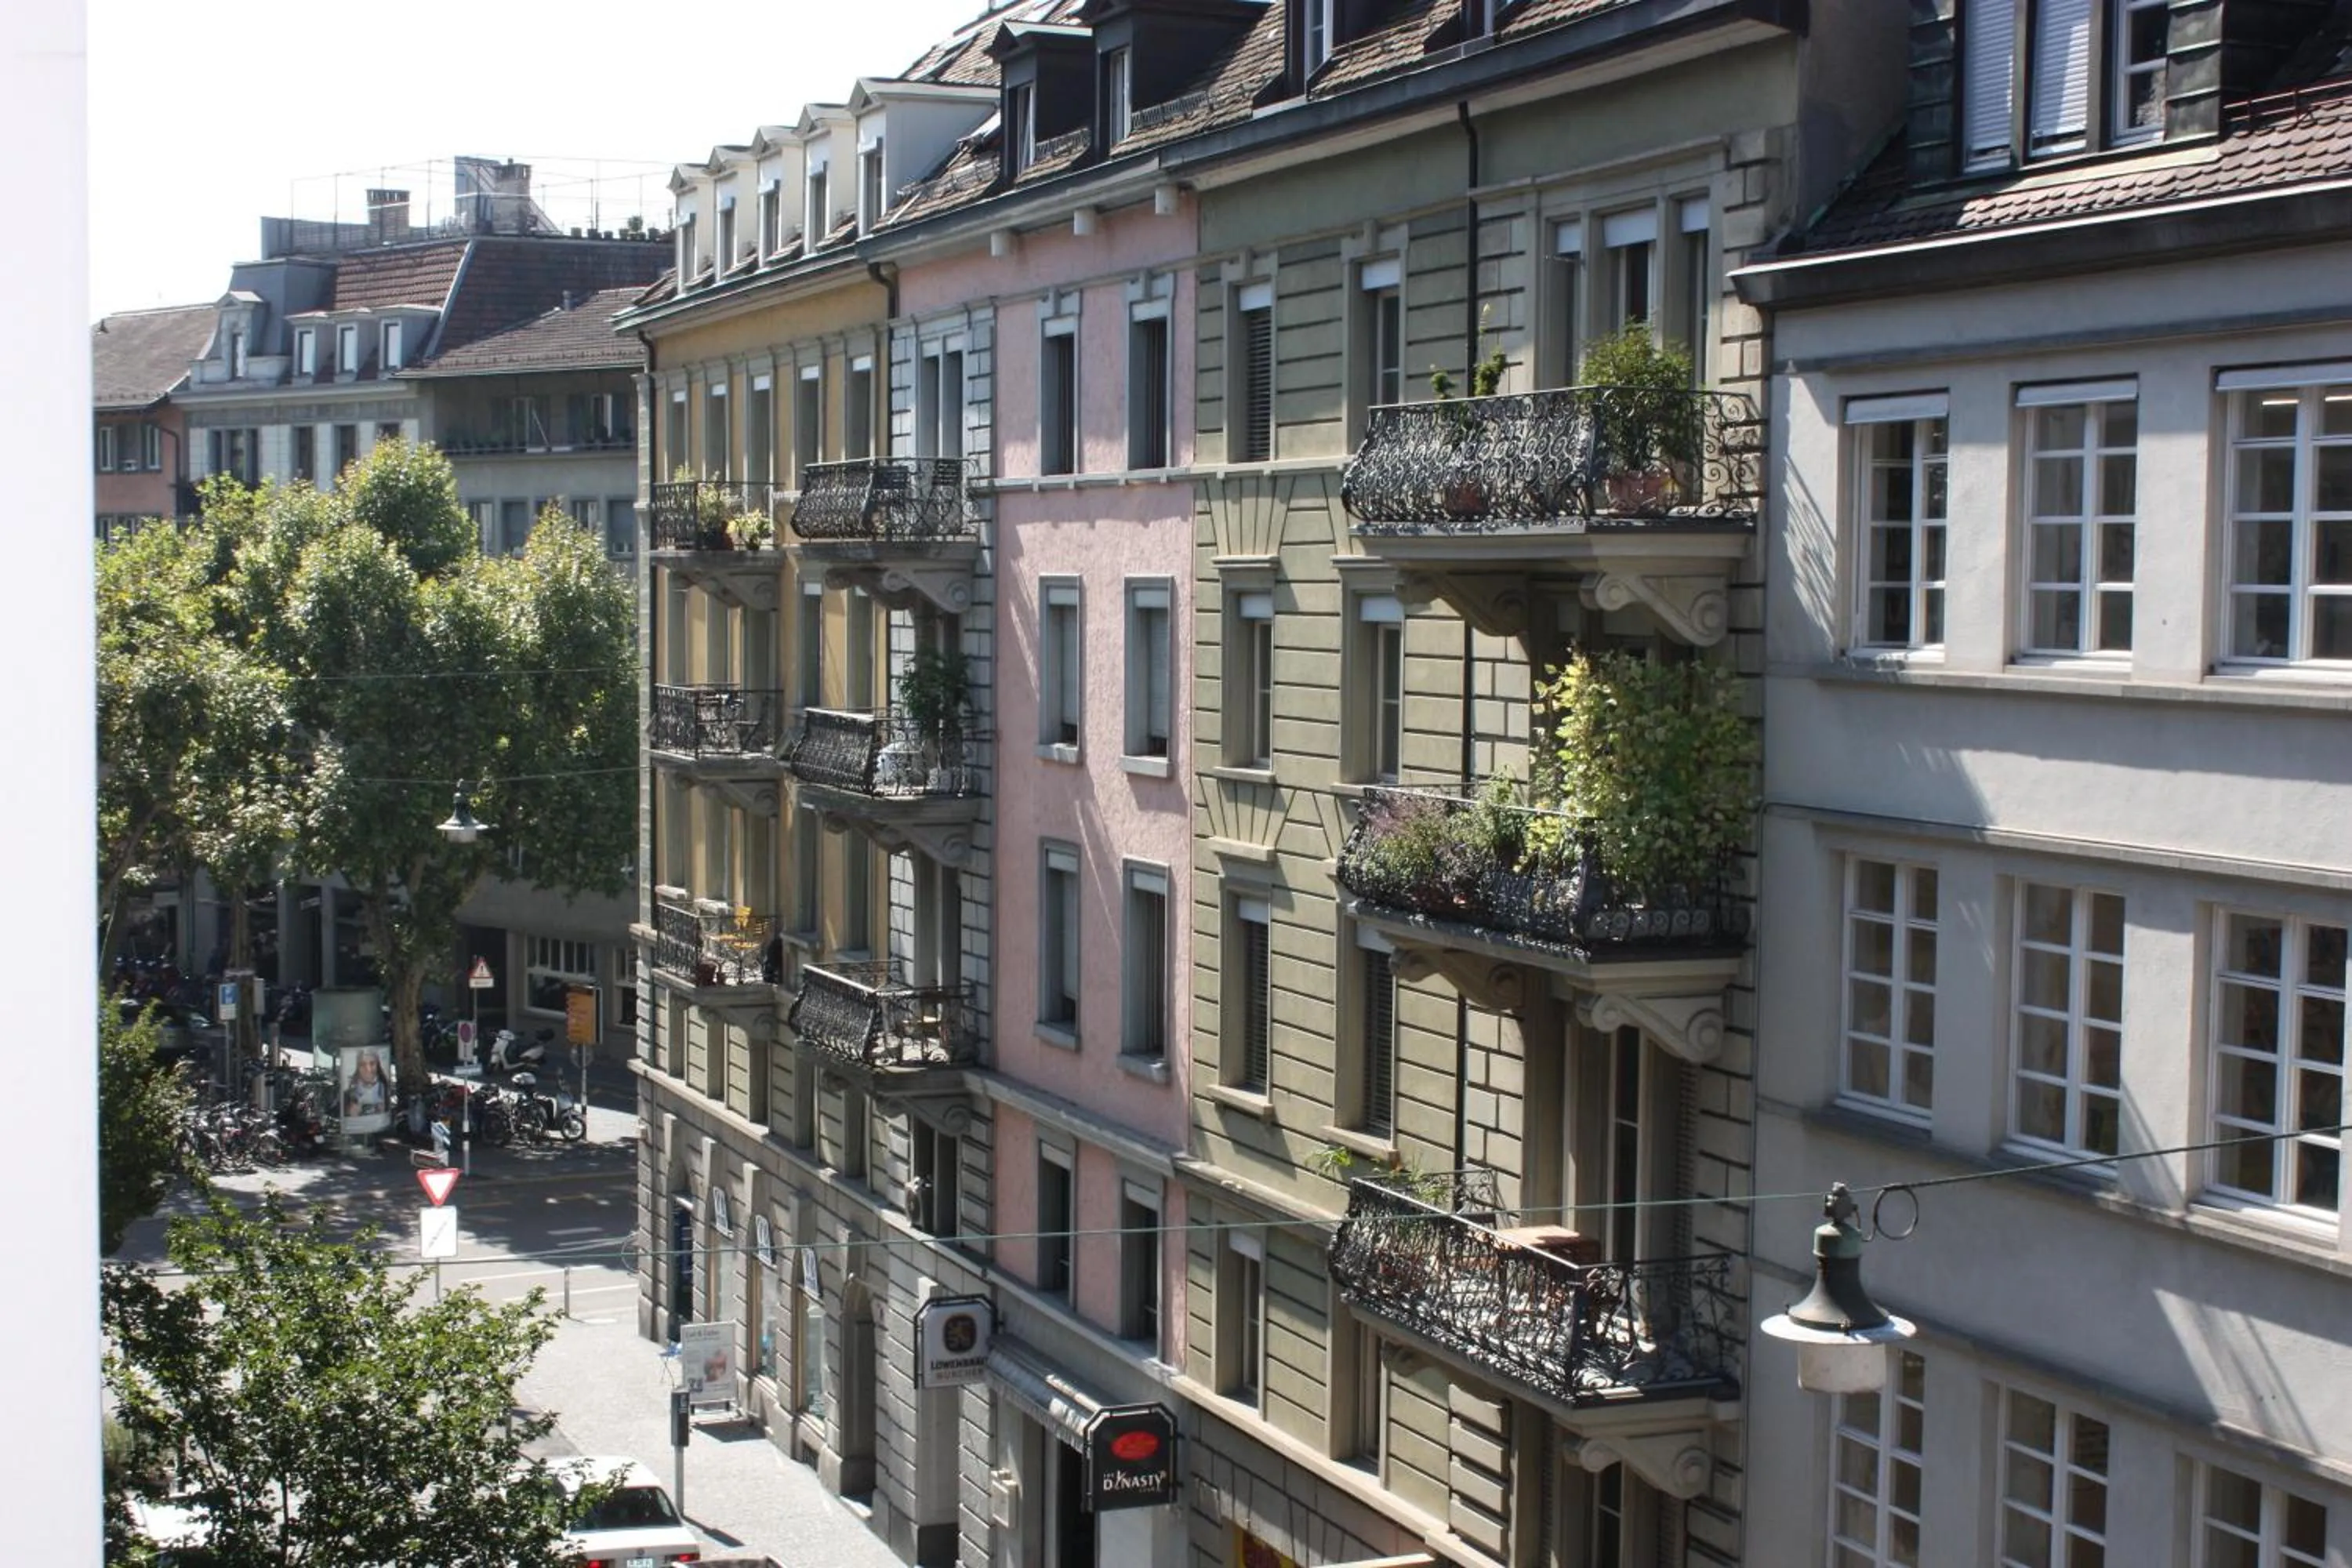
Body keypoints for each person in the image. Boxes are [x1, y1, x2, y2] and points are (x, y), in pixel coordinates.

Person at [342, 1048, 390, 1119]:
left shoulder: (387, 1092)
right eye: (363, 1064)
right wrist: (349, 1114)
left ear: (378, 1066)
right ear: (358, 1068)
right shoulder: (346, 1096)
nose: (368, 1069)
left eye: (372, 1063)